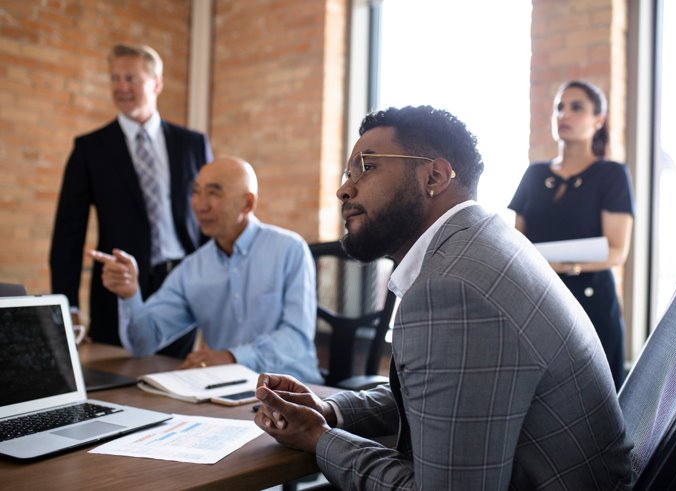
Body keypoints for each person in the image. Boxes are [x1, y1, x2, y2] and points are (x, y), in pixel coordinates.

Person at [253, 105, 633, 489]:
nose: (344, 188)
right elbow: (447, 396)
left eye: (366, 166)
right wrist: (329, 411)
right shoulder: (486, 243)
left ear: (433, 176)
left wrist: (319, 438)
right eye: (348, 172)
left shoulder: (452, 289)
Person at [89, 156, 322, 383]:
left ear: (248, 203)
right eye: (196, 192)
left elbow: (296, 340)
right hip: (224, 390)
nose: (200, 205)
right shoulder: (192, 269)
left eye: (213, 193)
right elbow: (143, 344)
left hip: (297, 390)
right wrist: (129, 295)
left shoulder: (290, 250)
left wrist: (231, 357)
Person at [50, 43, 212, 358]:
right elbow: (68, 234)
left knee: (176, 381)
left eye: (130, 78)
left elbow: (210, 218)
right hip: (116, 287)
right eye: (114, 79)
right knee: (116, 386)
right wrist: (66, 305)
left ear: (156, 83)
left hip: (182, 284)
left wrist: (214, 291)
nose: (121, 87)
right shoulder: (89, 149)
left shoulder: (193, 144)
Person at [509, 80, 635, 389]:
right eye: (559, 107)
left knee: (596, 398)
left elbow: (617, 250)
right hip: (537, 301)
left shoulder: (611, 175)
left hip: (590, 302)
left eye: (576, 107)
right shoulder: (535, 174)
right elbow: (516, 245)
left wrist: (564, 267)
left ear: (598, 120)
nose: (564, 114)